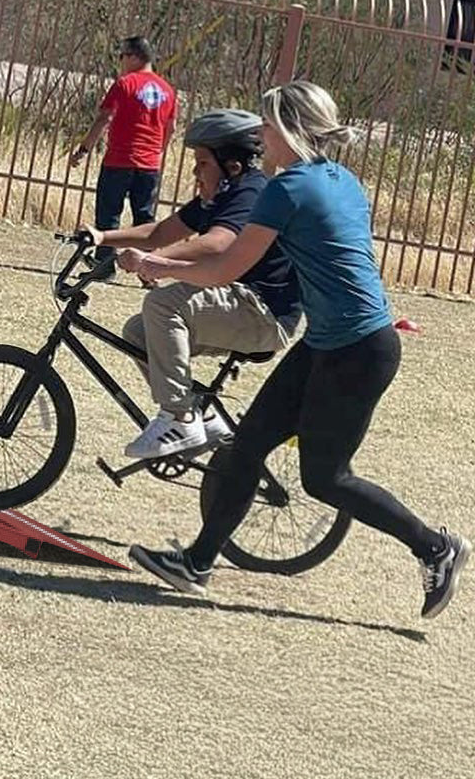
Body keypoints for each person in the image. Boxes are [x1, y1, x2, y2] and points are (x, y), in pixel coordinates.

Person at [122, 80, 469, 620]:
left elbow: (228, 267)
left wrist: (157, 265)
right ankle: (196, 562)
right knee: (245, 446)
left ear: (289, 129)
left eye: (266, 125)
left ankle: (436, 547)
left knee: (326, 478)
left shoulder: (287, 189)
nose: (260, 136)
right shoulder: (342, 179)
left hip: (357, 351)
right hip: (330, 342)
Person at [86, 109, 301, 460]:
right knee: (139, 332)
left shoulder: (250, 192)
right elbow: (159, 232)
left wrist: (157, 262)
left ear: (231, 165)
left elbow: (218, 243)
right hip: (241, 305)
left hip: (263, 314)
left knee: (163, 303)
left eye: (202, 163)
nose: (194, 172)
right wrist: (102, 236)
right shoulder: (222, 194)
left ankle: (180, 417)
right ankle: (203, 414)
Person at [70, 36, 176, 268]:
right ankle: (149, 268)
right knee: (145, 220)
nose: (121, 61)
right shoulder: (168, 90)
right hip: (149, 164)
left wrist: (84, 148)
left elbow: (104, 118)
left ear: (134, 57)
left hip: (120, 160)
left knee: (109, 215)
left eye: (123, 56)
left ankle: (104, 265)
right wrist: (158, 151)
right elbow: (171, 128)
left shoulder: (125, 84)